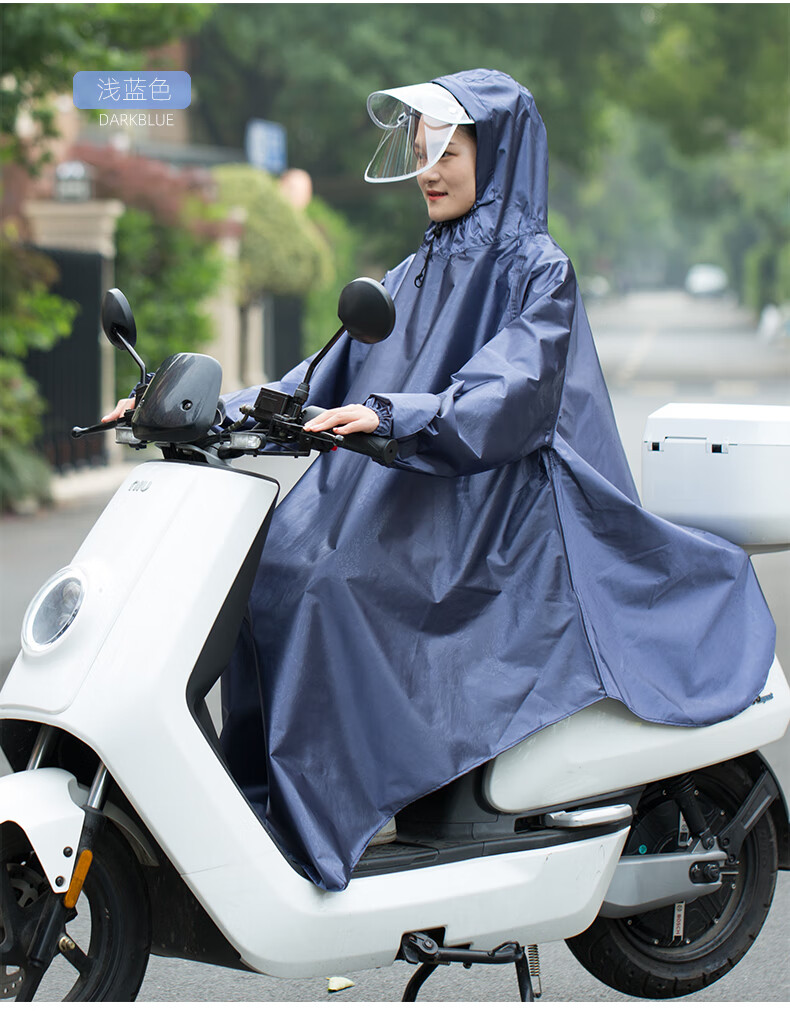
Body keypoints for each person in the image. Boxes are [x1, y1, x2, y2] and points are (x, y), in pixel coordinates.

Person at [105, 70, 775, 893]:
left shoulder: (539, 271)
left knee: (327, 586)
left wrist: (393, 417)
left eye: (450, 147)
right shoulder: (409, 274)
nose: (429, 167)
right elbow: (311, 380)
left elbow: (508, 395)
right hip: (409, 495)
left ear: (495, 153)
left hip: (503, 516)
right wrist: (183, 406)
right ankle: (261, 804)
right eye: (423, 148)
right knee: (270, 566)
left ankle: (323, 822)